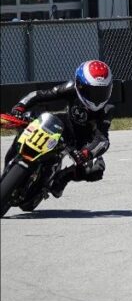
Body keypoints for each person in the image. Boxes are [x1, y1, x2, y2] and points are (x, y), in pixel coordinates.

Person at [5, 60, 114, 201]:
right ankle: (13, 160)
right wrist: (19, 108)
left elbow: (102, 139)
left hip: (82, 144)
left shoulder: (106, 110)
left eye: (101, 92)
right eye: (92, 91)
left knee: (97, 168)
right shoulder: (70, 88)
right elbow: (40, 95)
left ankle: (65, 176)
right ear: (79, 85)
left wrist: (86, 153)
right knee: (29, 120)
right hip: (63, 127)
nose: (96, 97)